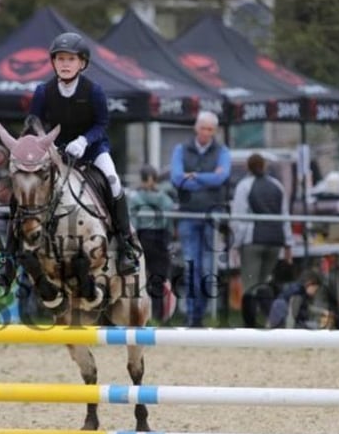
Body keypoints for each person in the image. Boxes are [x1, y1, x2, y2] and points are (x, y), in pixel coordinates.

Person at [15, 32, 140, 276]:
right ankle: (10, 256)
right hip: (56, 153)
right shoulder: (43, 91)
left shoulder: (94, 91)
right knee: (26, 184)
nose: (64, 64)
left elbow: (102, 123)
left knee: (113, 182)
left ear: (82, 63)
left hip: (92, 150)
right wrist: (43, 147)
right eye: (60, 59)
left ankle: (126, 245)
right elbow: (34, 124)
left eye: (70, 59)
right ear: (53, 62)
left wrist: (83, 141)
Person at [170, 110, 231, 327]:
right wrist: (208, 179)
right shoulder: (180, 149)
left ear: (215, 131)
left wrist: (194, 176)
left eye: (210, 130)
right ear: (196, 128)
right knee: (190, 267)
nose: (206, 133)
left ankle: (200, 314)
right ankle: (192, 316)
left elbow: (222, 178)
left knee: (207, 268)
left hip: (211, 215)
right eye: (203, 128)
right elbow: (177, 179)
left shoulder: (222, 150)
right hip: (188, 214)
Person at [231, 153, 293, 328]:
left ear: (247, 167)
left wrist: (235, 244)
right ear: (264, 166)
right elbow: (284, 215)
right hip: (275, 240)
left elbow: (239, 217)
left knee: (250, 284)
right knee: (264, 283)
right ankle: (274, 321)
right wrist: (288, 244)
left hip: (253, 239)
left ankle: (250, 324)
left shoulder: (244, 186)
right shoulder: (277, 186)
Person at [129, 164, 175, 321]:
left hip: (141, 238)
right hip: (159, 239)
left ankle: (138, 315)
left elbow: (131, 218)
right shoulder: (163, 197)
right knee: (157, 279)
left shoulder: (135, 196)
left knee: (136, 280)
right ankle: (157, 315)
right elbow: (169, 215)